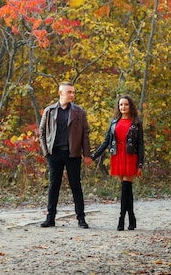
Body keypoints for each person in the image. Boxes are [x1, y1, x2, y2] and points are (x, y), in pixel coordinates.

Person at [39, 81, 93, 228]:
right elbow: (42, 132)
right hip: (54, 153)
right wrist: (46, 152)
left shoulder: (79, 112)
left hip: (73, 154)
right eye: (69, 92)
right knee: (53, 185)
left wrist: (87, 154)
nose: (72, 95)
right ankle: (50, 218)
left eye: (73, 92)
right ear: (60, 93)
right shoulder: (49, 111)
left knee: (76, 186)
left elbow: (85, 134)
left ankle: (81, 219)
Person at [91, 95, 144, 231]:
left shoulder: (136, 123)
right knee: (127, 191)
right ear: (118, 107)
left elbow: (140, 145)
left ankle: (121, 219)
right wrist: (93, 156)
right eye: (121, 105)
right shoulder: (114, 123)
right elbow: (106, 142)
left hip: (131, 156)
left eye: (126, 104)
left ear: (130, 106)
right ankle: (131, 218)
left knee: (125, 188)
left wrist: (140, 164)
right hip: (117, 156)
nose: (123, 107)